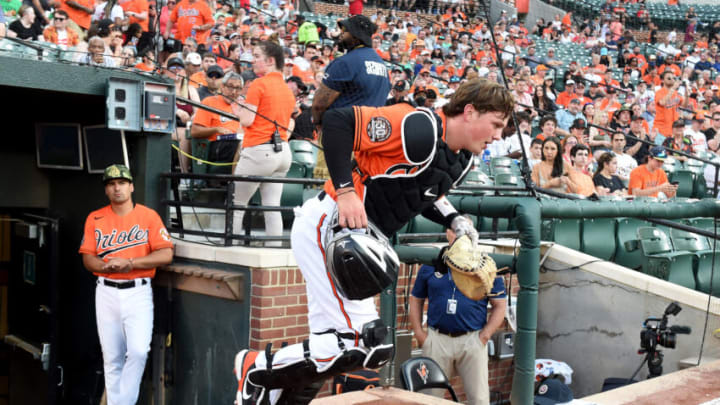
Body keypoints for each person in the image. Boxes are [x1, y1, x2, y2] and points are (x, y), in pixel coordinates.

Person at [234, 78, 514, 405]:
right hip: (330, 224)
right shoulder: (419, 125)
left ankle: (275, 393)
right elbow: (339, 123)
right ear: (469, 111)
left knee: (361, 346)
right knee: (356, 343)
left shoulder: (460, 158)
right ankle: (256, 368)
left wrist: (453, 218)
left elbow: (420, 194)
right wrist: (346, 190)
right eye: (495, 124)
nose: (498, 136)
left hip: (359, 241)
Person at [78, 164, 173, 405]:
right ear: (106, 191)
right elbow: (88, 258)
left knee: (139, 351)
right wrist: (105, 267)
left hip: (138, 290)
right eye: (111, 184)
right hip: (106, 290)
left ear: (131, 186)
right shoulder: (95, 217)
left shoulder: (148, 216)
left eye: (121, 183)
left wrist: (130, 263)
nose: (116, 188)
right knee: (112, 358)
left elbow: (165, 254)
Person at [408, 225, 506, 405]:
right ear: (448, 233)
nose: (463, 236)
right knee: (429, 399)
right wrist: (420, 334)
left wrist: (484, 336)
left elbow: (500, 305)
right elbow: (416, 299)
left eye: (467, 231)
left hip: (472, 339)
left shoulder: (485, 264)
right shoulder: (431, 263)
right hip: (437, 339)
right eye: (458, 231)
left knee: (479, 400)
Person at [232, 41, 295, 245]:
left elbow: (247, 120)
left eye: (257, 56)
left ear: (270, 61)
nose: (253, 60)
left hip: (260, 150)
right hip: (283, 152)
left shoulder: (259, 84)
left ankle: (230, 246)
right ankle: (273, 248)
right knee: (272, 205)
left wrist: (239, 110)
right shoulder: (287, 89)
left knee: (237, 202)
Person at [311, 15, 391, 127]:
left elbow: (319, 105)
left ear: (356, 36)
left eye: (345, 30)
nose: (341, 33)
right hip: (370, 133)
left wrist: (317, 124)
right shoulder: (383, 66)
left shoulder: (345, 62)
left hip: (343, 131)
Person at [191, 72, 243, 171]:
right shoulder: (210, 101)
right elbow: (194, 131)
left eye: (238, 88)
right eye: (230, 87)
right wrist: (216, 129)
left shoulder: (242, 105)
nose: (234, 92)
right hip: (216, 146)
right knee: (241, 145)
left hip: (238, 141)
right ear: (222, 87)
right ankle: (235, 182)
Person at [654, 71, 684, 138]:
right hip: (661, 128)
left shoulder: (676, 93)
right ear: (662, 80)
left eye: (673, 78)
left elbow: (684, 105)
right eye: (669, 78)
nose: (672, 79)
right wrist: (673, 88)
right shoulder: (659, 92)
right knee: (660, 148)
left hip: (673, 128)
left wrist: (687, 91)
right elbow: (662, 102)